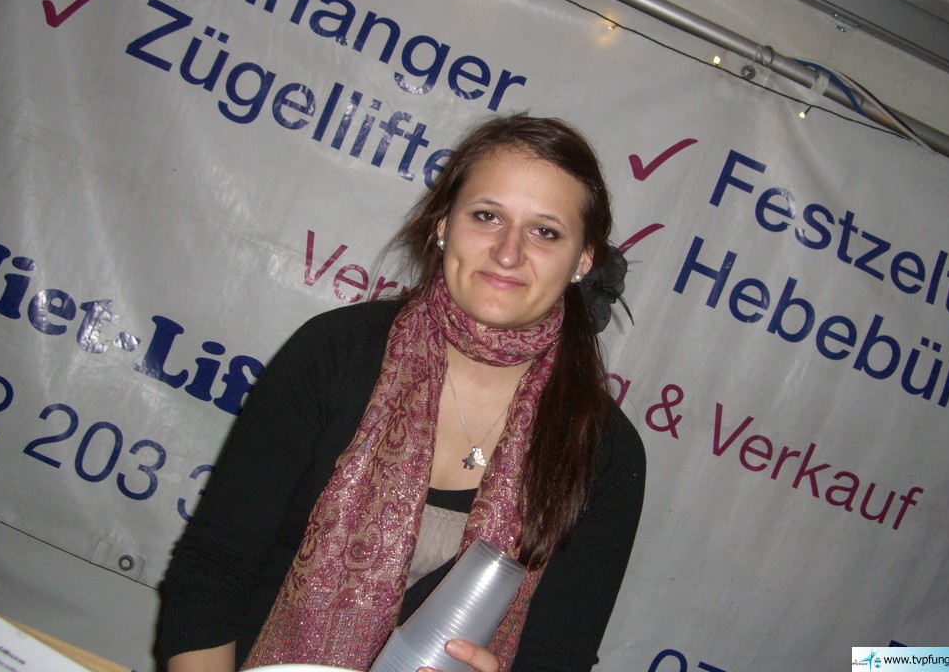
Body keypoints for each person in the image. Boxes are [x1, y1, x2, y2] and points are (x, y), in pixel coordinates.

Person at [158, 113, 646, 672]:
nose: (508, 253)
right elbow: (213, 566)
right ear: (442, 224)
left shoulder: (605, 452)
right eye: (487, 216)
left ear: (583, 259)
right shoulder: (335, 353)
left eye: (545, 232)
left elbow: (557, 657)